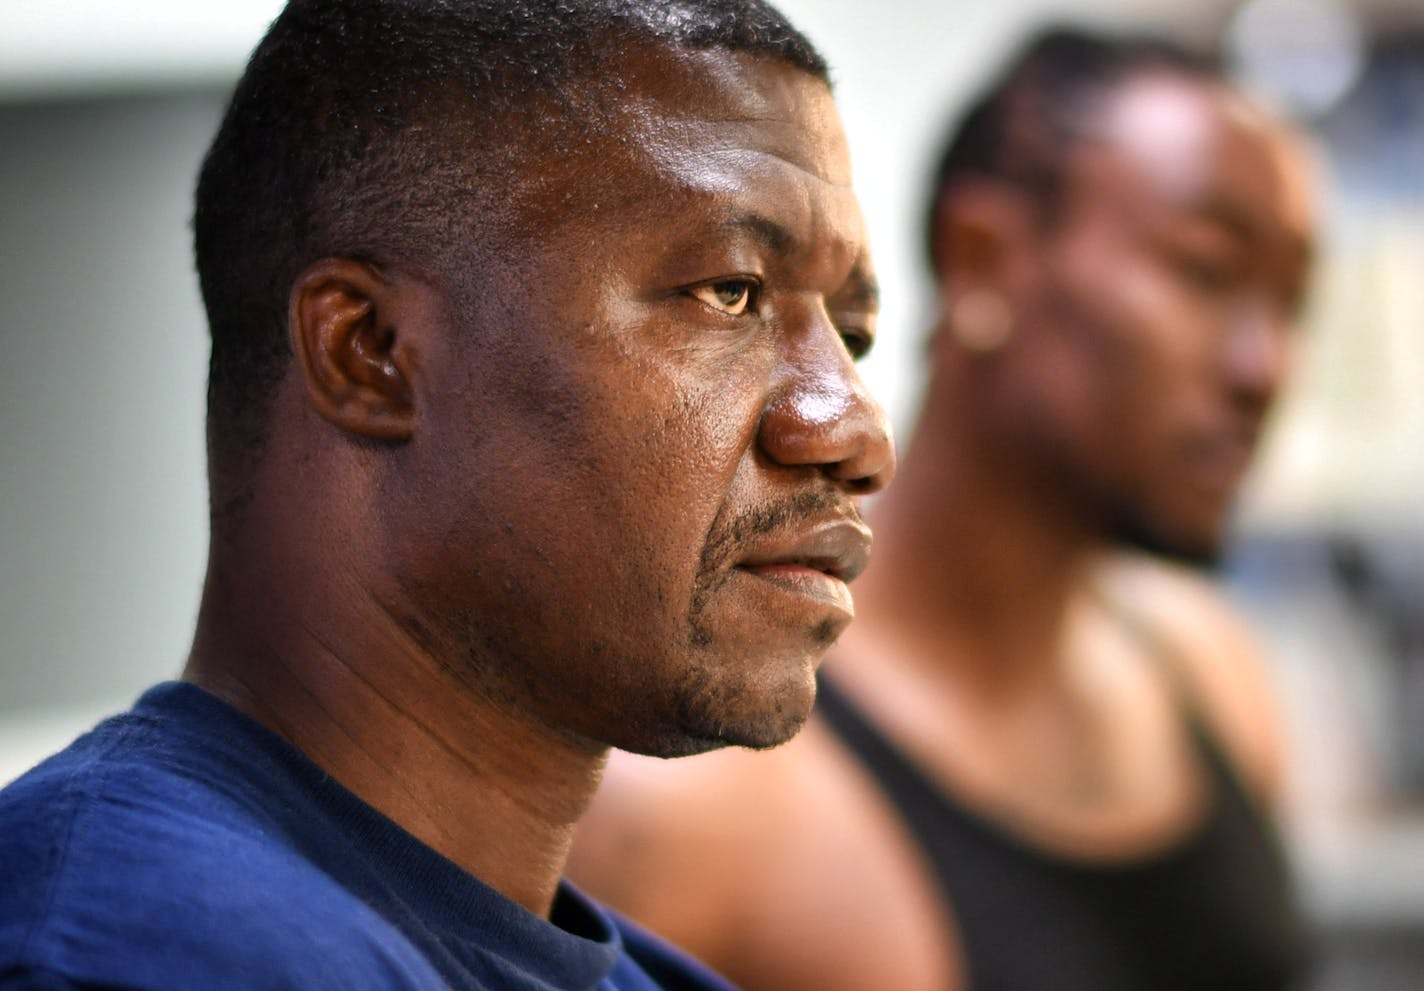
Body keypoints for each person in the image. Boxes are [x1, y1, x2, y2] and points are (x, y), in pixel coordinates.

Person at [0, 1, 895, 988]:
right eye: (728, 292)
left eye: (849, 336)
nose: (854, 435)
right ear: (370, 353)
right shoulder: (139, 949)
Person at [569, 26, 1318, 991]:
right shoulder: (704, 798)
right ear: (986, 257)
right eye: (1206, 270)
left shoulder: (1214, 676)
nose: (1264, 367)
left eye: (1290, 302)